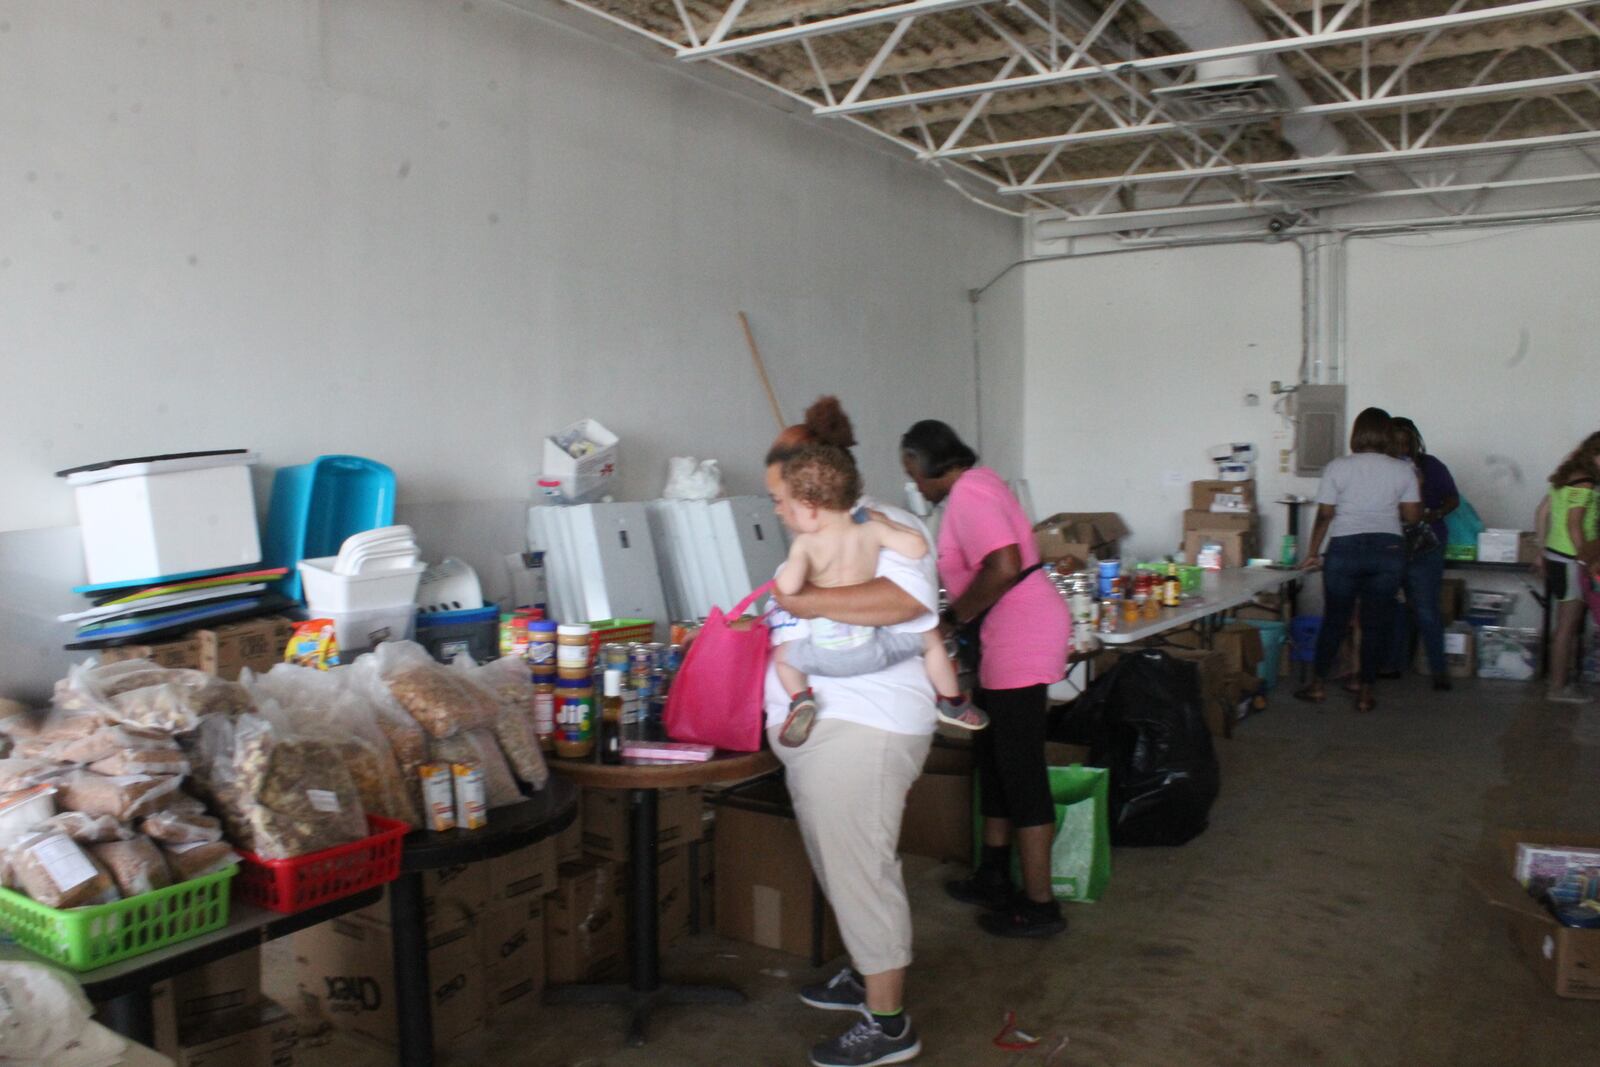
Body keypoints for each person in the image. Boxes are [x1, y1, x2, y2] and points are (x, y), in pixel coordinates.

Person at [764, 397, 938, 1067]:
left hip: (870, 724)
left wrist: (805, 602)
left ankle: (889, 1021)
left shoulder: (883, 524)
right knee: (840, 857)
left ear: (812, 488)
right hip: (833, 727)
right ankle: (868, 974)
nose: (776, 507)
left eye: (780, 494)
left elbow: (909, 604)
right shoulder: (823, 534)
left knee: (863, 868)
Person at [900, 420, 1073, 939]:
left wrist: (954, 621)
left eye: (913, 473)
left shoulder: (969, 495)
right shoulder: (981, 483)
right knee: (994, 758)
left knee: (1019, 767)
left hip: (1019, 632)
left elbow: (1002, 566)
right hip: (1012, 629)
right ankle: (994, 874)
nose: (916, 485)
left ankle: (1040, 904)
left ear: (930, 464)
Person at [770, 442, 985, 747]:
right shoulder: (870, 530)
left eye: (789, 507)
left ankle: (801, 699)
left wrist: (789, 577)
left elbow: (789, 590)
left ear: (810, 507)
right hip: (873, 651)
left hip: (825, 655)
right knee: (930, 639)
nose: (784, 514)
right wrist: (882, 521)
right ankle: (952, 701)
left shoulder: (806, 544)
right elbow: (916, 548)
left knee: (783, 659)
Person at [1296, 407, 1423, 713]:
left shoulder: (1337, 467)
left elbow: (1325, 514)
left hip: (1345, 549)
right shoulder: (1402, 470)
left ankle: (1317, 686)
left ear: (1357, 432)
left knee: (1335, 621)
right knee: (1375, 623)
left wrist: (1312, 552)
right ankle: (1365, 693)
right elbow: (1412, 516)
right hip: (1388, 551)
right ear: (1386, 434)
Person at [1382, 417, 1459, 690]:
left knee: (1426, 608)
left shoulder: (1431, 466)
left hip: (1425, 547)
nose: (1403, 447)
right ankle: (1393, 664)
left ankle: (1439, 671)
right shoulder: (1382, 467)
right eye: (1397, 442)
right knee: (1395, 608)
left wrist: (1435, 512)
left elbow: (1453, 498)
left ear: (1416, 442)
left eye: (1408, 442)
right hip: (1391, 545)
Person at [1534, 432, 1600, 703]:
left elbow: (1541, 512)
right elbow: (1575, 525)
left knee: (1564, 624)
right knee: (1568, 626)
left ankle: (1559, 681)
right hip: (1573, 559)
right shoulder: (1585, 483)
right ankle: (1559, 688)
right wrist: (1587, 561)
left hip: (1556, 556)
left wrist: (1540, 550)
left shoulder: (1564, 477)